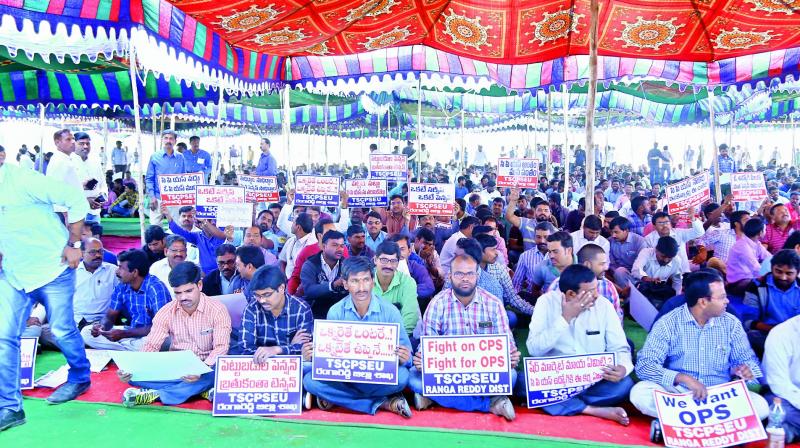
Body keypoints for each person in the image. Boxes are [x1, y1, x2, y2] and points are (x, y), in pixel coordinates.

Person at [0, 153, 93, 430]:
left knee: (63, 330)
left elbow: (76, 199)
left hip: (54, 268)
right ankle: (10, 408)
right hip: (14, 274)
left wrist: (74, 244)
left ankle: (79, 376)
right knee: (4, 338)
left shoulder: (24, 180)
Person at [631, 271, 769, 428]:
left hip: (720, 398)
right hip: (680, 396)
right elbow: (644, 366)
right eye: (722, 297)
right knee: (640, 393)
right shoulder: (668, 323)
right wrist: (683, 378)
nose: (727, 301)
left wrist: (745, 371)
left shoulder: (731, 324)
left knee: (761, 405)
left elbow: (749, 361)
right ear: (703, 302)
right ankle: (713, 425)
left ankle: (678, 421)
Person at [410, 255, 520, 420]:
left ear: (477, 275)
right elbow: (427, 349)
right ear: (450, 276)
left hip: (481, 375)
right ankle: (489, 404)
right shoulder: (437, 304)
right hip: (448, 375)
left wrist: (511, 357)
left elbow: (508, 346)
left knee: (511, 376)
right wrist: (422, 360)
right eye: (459, 274)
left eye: (470, 274)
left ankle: (435, 398)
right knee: (413, 378)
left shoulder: (494, 304)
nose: (465, 279)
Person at [302, 257, 413, 418]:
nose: (361, 288)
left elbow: (407, 355)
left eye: (366, 280)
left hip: (377, 377)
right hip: (347, 377)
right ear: (345, 284)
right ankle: (383, 403)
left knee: (403, 377)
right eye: (355, 281)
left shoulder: (390, 312)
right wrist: (312, 356)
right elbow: (327, 359)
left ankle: (339, 398)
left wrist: (404, 357)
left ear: (372, 282)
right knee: (309, 381)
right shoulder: (336, 312)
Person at [527, 265, 633, 424]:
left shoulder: (604, 305)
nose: (596, 295)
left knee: (624, 385)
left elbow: (619, 347)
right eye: (590, 291)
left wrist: (623, 368)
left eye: (596, 288)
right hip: (555, 379)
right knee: (524, 382)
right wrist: (565, 319)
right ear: (570, 294)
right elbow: (534, 349)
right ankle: (590, 409)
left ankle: (556, 402)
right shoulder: (545, 303)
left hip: (592, 381)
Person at [117, 262, 230, 407]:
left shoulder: (217, 309)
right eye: (178, 293)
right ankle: (202, 391)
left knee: (218, 374)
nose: (183, 297)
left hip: (207, 367)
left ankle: (157, 394)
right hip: (177, 368)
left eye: (188, 291)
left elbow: (221, 348)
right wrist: (134, 368)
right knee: (133, 378)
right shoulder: (167, 311)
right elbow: (151, 345)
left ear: (200, 285)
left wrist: (201, 371)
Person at [31, 238, 119, 348]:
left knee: (94, 334)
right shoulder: (70, 272)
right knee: (44, 332)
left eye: (100, 251)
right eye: (93, 252)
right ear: (81, 253)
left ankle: (81, 343)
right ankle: (88, 343)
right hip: (73, 324)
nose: (98, 255)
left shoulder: (113, 271)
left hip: (99, 325)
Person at [81, 249, 172, 351]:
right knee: (86, 332)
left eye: (120, 268)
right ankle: (130, 349)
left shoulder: (155, 288)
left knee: (162, 341)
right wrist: (102, 327)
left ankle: (123, 349)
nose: (116, 271)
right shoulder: (122, 286)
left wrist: (124, 334)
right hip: (132, 333)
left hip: (151, 335)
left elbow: (161, 327)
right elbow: (110, 316)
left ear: (134, 272)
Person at [240, 265, 313, 359]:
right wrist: (289, 348)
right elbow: (245, 350)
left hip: (293, 368)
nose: (262, 300)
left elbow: (306, 350)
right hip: (261, 368)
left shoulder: (301, 308)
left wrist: (277, 350)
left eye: (267, 295)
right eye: (257, 295)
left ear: (281, 288)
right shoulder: (252, 309)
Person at [743, 249, 800, 355]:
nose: (783, 277)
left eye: (789, 273)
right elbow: (748, 321)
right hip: (768, 334)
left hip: (796, 336)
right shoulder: (756, 286)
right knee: (751, 336)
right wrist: (777, 331)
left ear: (797, 272)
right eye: (778, 271)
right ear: (772, 268)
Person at [762, 314, 800, 444]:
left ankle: (790, 432)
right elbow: (779, 384)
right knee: (780, 410)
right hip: (784, 397)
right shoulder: (781, 334)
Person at [372, 240, 421, 338]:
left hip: (398, 338)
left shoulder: (408, 282)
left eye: (393, 261)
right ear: (375, 260)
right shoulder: (364, 279)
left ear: (398, 263)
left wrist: (393, 340)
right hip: (368, 337)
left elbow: (410, 317)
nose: (388, 265)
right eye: (384, 260)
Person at [163, 205, 226, 275]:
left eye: (211, 221)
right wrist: (167, 215)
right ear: (198, 225)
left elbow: (223, 236)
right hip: (206, 275)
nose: (213, 223)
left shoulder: (221, 233)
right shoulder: (197, 236)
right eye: (203, 221)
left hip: (223, 272)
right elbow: (178, 231)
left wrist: (204, 220)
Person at [300, 230, 349, 319]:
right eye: (335, 245)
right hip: (315, 312)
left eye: (342, 246)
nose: (340, 249)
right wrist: (333, 285)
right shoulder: (310, 264)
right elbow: (309, 291)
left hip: (340, 313)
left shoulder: (347, 265)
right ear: (323, 246)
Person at [643, 209, 704, 273]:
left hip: (682, 272)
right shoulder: (648, 239)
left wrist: (692, 218)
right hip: (661, 275)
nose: (665, 225)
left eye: (667, 222)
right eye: (661, 223)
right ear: (654, 226)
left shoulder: (679, 233)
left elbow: (699, 232)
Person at [145, 130, 186, 225]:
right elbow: (149, 178)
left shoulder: (181, 157)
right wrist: (152, 197)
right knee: (155, 227)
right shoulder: (155, 157)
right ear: (162, 140)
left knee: (176, 226)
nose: (168, 141)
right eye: (166, 138)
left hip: (174, 199)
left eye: (171, 138)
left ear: (175, 141)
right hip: (157, 198)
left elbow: (184, 178)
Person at [631, 236, 683, 308]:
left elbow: (677, 282)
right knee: (621, 272)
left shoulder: (677, 261)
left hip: (658, 290)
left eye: (670, 258)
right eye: (663, 256)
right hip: (639, 284)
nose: (666, 260)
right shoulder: (646, 252)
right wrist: (649, 279)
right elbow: (636, 270)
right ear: (656, 250)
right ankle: (631, 298)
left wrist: (675, 301)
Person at [726, 218, 770, 295]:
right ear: (760, 233)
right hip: (737, 283)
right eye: (765, 230)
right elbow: (756, 269)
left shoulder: (756, 243)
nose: (766, 232)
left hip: (749, 279)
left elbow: (770, 258)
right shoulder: (742, 246)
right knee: (769, 283)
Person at [512, 222, 555, 296]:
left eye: (546, 237)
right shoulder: (525, 256)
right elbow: (516, 284)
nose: (542, 241)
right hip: (532, 298)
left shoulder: (559, 256)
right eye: (538, 237)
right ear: (534, 237)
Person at [74, 132, 106, 224]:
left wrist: (102, 198)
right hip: (78, 212)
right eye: (81, 143)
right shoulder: (69, 162)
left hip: (95, 212)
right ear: (74, 144)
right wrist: (86, 201)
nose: (85, 146)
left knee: (95, 238)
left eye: (87, 143)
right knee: (77, 238)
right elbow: (66, 189)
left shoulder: (95, 162)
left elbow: (102, 184)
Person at [609, 216, 646, 290]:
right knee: (619, 272)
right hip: (619, 274)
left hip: (637, 274)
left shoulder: (639, 241)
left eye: (616, 232)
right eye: (612, 232)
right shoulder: (610, 241)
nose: (613, 235)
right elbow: (612, 264)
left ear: (626, 230)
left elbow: (643, 265)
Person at [279, 212, 316, 278]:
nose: (291, 225)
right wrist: (284, 278)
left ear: (298, 227)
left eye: (293, 223)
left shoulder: (312, 244)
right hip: (288, 282)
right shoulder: (291, 240)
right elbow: (282, 261)